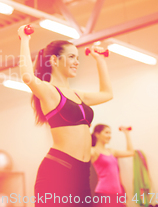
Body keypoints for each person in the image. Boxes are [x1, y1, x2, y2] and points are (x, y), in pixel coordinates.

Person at [17, 25, 113, 207]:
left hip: (83, 174)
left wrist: (99, 60)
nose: (76, 62)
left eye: (77, 58)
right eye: (71, 57)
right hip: (58, 171)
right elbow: (27, 76)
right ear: (54, 60)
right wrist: (24, 38)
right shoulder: (49, 92)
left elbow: (107, 93)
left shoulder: (78, 95)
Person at [91, 124, 134, 206]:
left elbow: (131, 152)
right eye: (106, 132)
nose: (109, 136)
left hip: (117, 193)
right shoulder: (94, 151)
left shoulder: (112, 152)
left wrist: (126, 133)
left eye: (110, 133)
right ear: (97, 134)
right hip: (103, 193)